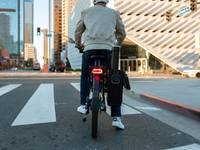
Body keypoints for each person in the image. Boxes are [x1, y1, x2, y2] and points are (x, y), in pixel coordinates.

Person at [75, 0, 126, 129]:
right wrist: (118, 44)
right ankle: (116, 117)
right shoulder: (114, 13)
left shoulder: (86, 12)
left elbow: (78, 32)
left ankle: (82, 104)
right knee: (113, 79)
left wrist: (78, 44)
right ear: (106, 1)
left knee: (85, 75)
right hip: (108, 49)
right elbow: (122, 33)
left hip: (89, 49)